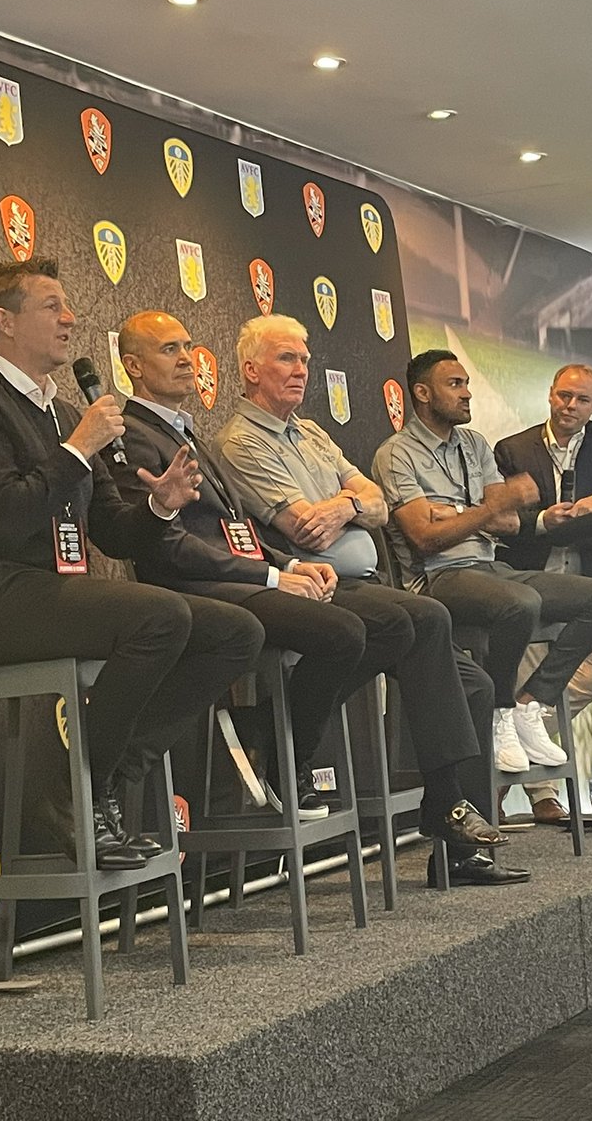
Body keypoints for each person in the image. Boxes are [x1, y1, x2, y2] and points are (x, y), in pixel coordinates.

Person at [0, 257, 264, 870]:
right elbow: (3, 519)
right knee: (158, 616)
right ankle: (81, 796)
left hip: (49, 595)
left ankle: (110, 771)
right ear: (5, 320)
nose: (70, 317)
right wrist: (78, 447)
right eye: (51, 306)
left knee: (235, 632)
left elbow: (110, 529)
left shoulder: (58, 412)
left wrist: (159, 506)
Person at [214, 315, 529, 887]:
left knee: (477, 685)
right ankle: (445, 817)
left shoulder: (310, 433)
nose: (302, 369)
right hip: (315, 587)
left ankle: (457, 837)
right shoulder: (240, 442)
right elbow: (301, 526)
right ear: (250, 369)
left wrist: (342, 505)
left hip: (366, 585)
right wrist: (348, 502)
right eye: (287, 359)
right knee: (423, 616)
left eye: (306, 359)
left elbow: (377, 501)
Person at [109, 309, 367, 821]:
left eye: (188, 346)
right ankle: (281, 755)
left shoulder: (184, 432)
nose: (187, 359)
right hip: (192, 587)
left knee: (366, 629)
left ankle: (269, 736)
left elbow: (235, 530)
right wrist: (272, 577)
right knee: (341, 634)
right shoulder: (133, 434)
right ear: (133, 366)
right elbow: (170, 545)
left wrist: (291, 563)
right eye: (170, 350)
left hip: (237, 578)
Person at [371, 349, 592, 798]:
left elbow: (508, 523)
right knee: (521, 604)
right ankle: (500, 711)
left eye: (467, 382)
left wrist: (455, 513)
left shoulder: (476, 445)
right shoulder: (397, 454)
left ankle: (531, 702)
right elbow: (425, 538)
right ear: (423, 393)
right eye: (455, 385)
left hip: (492, 566)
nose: (467, 393)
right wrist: (488, 507)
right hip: (439, 577)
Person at [492, 363, 592, 822]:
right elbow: (500, 524)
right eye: (564, 396)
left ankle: (513, 743)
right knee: (531, 677)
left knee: (578, 688)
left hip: (589, 583)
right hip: (533, 581)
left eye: (582, 400)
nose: (570, 406)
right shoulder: (511, 449)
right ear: (550, 394)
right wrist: (540, 523)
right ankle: (539, 793)